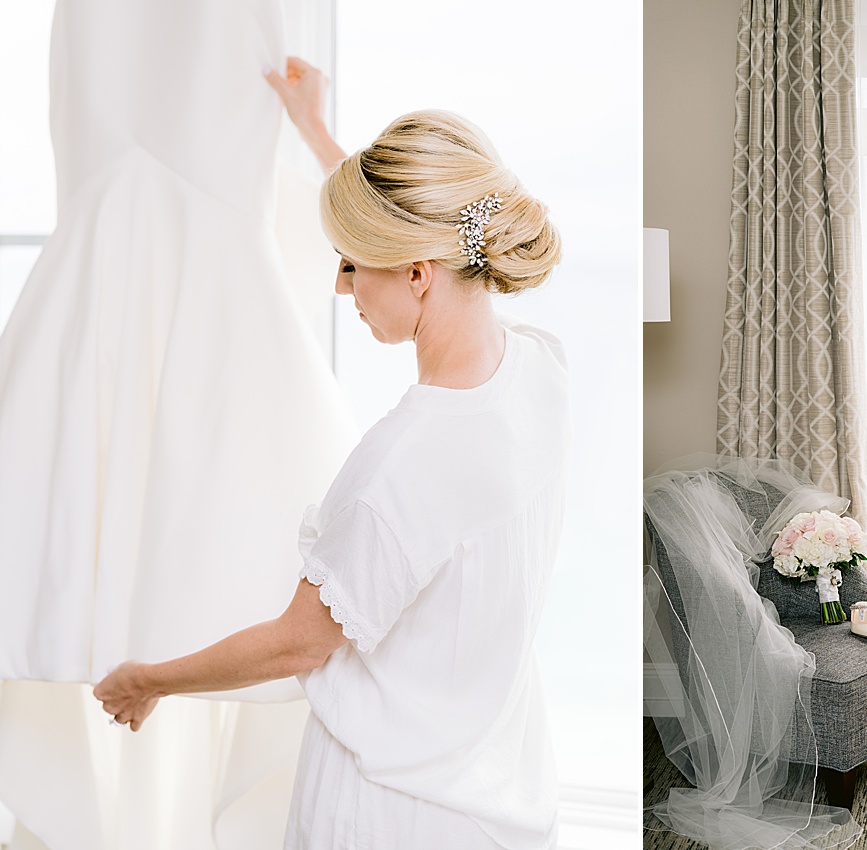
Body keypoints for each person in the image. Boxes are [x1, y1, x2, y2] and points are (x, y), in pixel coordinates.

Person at [94, 57, 570, 849]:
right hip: (496, 790)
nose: (343, 287)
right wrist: (317, 134)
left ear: (418, 272)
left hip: (385, 809)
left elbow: (298, 642)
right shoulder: (538, 372)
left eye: (351, 264)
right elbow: (423, 234)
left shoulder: (399, 466)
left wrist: (149, 681)